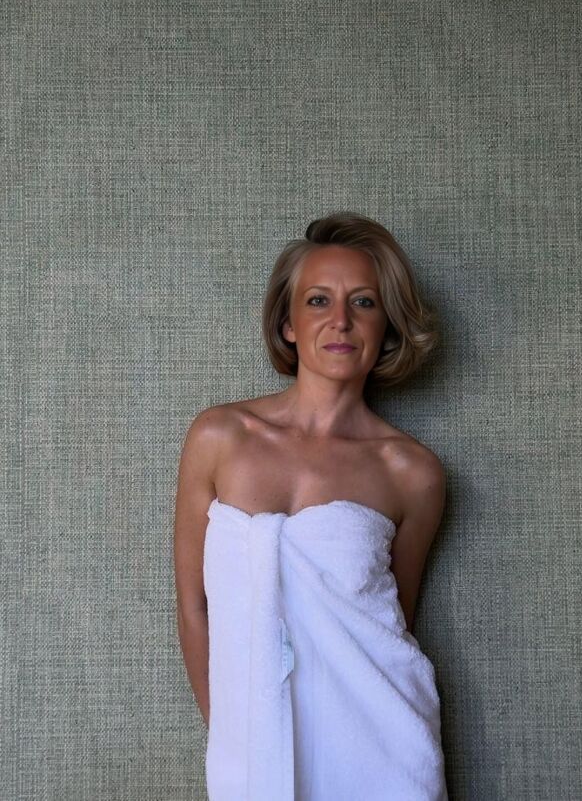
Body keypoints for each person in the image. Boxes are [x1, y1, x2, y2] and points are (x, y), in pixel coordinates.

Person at [174, 211, 449, 799]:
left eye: (364, 302)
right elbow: (195, 606)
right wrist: (237, 739)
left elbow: (389, 624)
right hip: (254, 748)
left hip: (381, 746)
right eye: (319, 300)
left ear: (386, 325)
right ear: (289, 323)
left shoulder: (412, 473)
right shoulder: (219, 437)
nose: (341, 320)